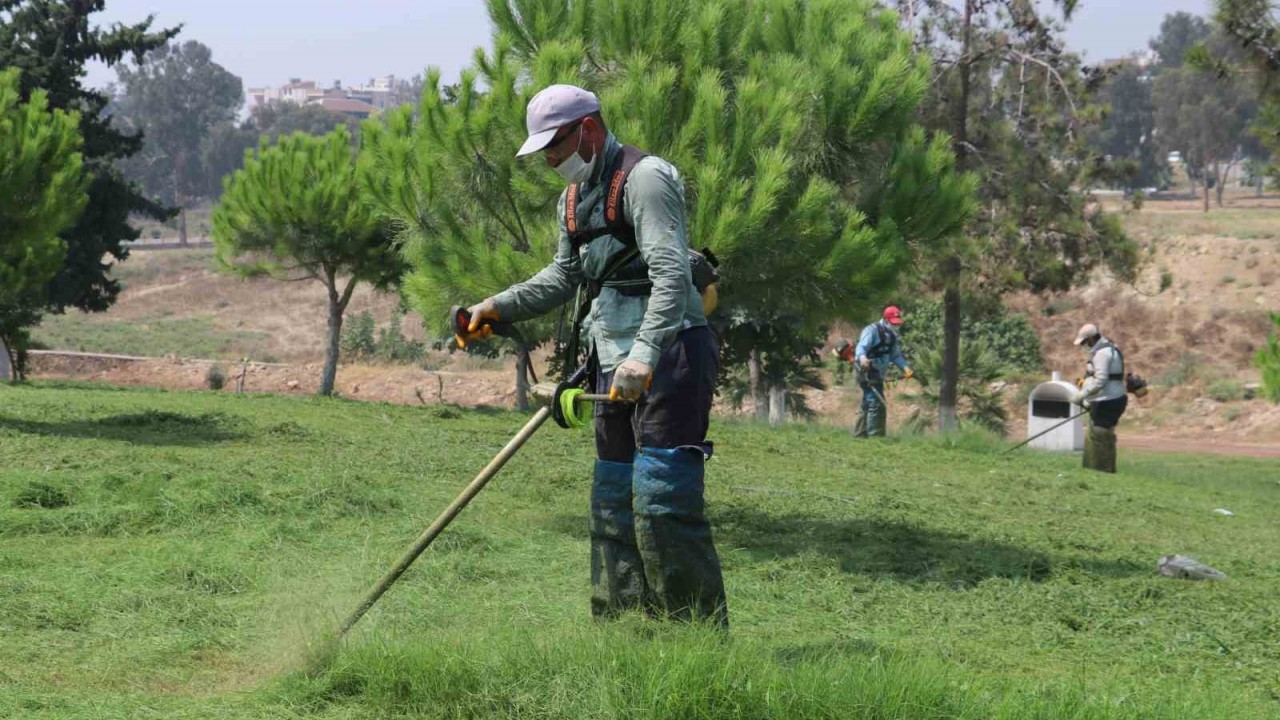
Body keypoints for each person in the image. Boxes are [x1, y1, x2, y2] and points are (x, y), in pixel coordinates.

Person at [456, 85, 727, 626]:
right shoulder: (573, 198)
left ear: (589, 129)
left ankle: (693, 638)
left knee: (661, 501)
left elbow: (672, 274)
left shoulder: (646, 179)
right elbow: (565, 273)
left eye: (555, 146)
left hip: (669, 352)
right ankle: (624, 629)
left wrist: (644, 357)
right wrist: (497, 306)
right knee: (611, 499)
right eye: (544, 151)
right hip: (609, 353)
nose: (552, 160)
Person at [1070, 323, 1127, 473]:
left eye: (1084, 342)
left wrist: (1081, 395)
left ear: (1090, 339)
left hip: (1107, 400)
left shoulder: (1102, 354)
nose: (1083, 346)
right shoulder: (1111, 348)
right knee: (1104, 435)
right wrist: (1089, 401)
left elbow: (1100, 380)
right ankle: (1104, 469)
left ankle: (1101, 470)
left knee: (1100, 436)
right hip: (1113, 398)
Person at [851, 306, 913, 438]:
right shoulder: (871, 330)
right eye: (892, 322)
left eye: (896, 322)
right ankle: (875, 437)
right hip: (865, 369)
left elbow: (895, 356)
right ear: (885, 319)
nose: (894, 325)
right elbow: (861, 348)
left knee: (868, 401)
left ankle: (860, 435)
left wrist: (905, 368)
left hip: (878, 372)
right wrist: (862, 358)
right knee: (876, 402)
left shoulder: (892, 336)